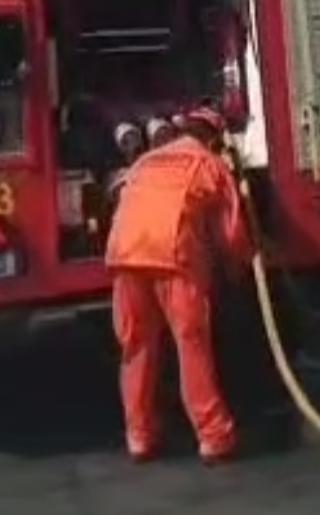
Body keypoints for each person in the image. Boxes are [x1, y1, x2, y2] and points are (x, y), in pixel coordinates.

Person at [105, 106, 253, 465]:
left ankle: (138, 436)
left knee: (136, 346)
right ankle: (214, 437)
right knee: (191, 344)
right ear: (215, 139)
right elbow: (231, 235)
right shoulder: (210, 165)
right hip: (172, 256)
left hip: (125, 253)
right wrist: (239, 269)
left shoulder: (145, 162)